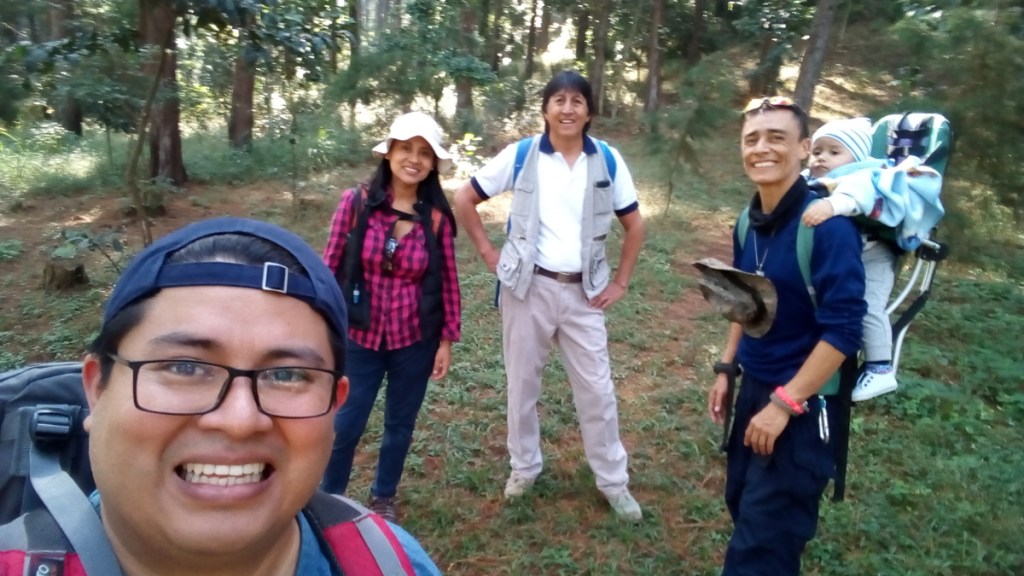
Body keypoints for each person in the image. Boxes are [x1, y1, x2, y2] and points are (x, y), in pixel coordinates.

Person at [0, 217, 442, 575]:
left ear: (334, 406)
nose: (240, 419)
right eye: (185, 367)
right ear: (97, 388)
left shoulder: (391, 563)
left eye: (287, 374)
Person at [453, 70, 646, 521]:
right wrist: (488, 252)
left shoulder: (608, 161)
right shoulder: (523, 155)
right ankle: (524, 467)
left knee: (597, 390)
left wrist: (620, 282)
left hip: (584, 294)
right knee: (522, 386)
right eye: (558, 100)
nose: (567, 108)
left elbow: (634, 224)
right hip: (528, 289)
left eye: (577, 100)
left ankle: (614, 482)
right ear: (545, 109)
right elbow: (465, 197)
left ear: (589, 112)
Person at [706, 96, 866, 575]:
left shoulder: (828, 227)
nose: (762, 148)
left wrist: (784, 404)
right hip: (755, 389)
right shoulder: (747, 220)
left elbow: (844, 330)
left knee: (761, 551)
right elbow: (743, 299)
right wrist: (726, 367)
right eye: (751, 139)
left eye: (777, 137)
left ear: (802, 149)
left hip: (803, 405)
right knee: (743, 506)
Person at [322, 111, 461, 523]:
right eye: (406, 149)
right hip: (358, 337)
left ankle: (384, 496)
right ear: (389, 154)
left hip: (414, 341)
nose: (413, 159)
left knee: (399, 426)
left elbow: (449, 281)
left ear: (434, 163)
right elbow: (329, 266)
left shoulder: (436, 220)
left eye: (424, 152)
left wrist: (446, 341)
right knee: (346, 423)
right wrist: (320, 323)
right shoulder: (357, 202)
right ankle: (330, 498)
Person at [803, 117, 899, 401]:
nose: (822, 157)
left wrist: (831, 205)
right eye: (818, 150)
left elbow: (857, 198)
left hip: (876, 258)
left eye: (834, 152)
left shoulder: (864, 176)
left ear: (856, 158)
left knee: (869, 306)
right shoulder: (818, 179)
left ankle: (881, 367)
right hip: (855, 255)